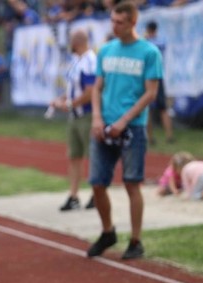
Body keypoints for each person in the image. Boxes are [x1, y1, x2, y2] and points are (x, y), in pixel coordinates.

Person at [87, 1, 162, 261]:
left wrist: (124, 121)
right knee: (97, 183)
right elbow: (97, 87)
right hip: (103, 125)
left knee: (132, 183)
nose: (114, 26)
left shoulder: (149, 53)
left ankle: (136, 240)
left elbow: (150, 93)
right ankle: (108, 232)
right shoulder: (106, 50)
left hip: (133, 128)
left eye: (119, 22)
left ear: (133, 22)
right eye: (112, 21)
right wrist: (97, 118)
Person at [50, 29, 97, 212]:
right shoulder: (77, 61)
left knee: (93, 157)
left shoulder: (90, 62)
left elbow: (90, 92)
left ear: (76, 42)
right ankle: (74, 195)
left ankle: (96, 193)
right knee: (74, 157)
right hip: (76, 115)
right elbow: (75, 89)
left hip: (87, 115)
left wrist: (70, 104)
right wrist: (62, 100)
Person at [144, 21, 174, 146]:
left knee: (148, 107)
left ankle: (150, 137)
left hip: (148, 77)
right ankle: (169, 135)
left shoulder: (147, 43)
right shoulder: (161, 41)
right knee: (162, 108)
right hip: (158, 76)